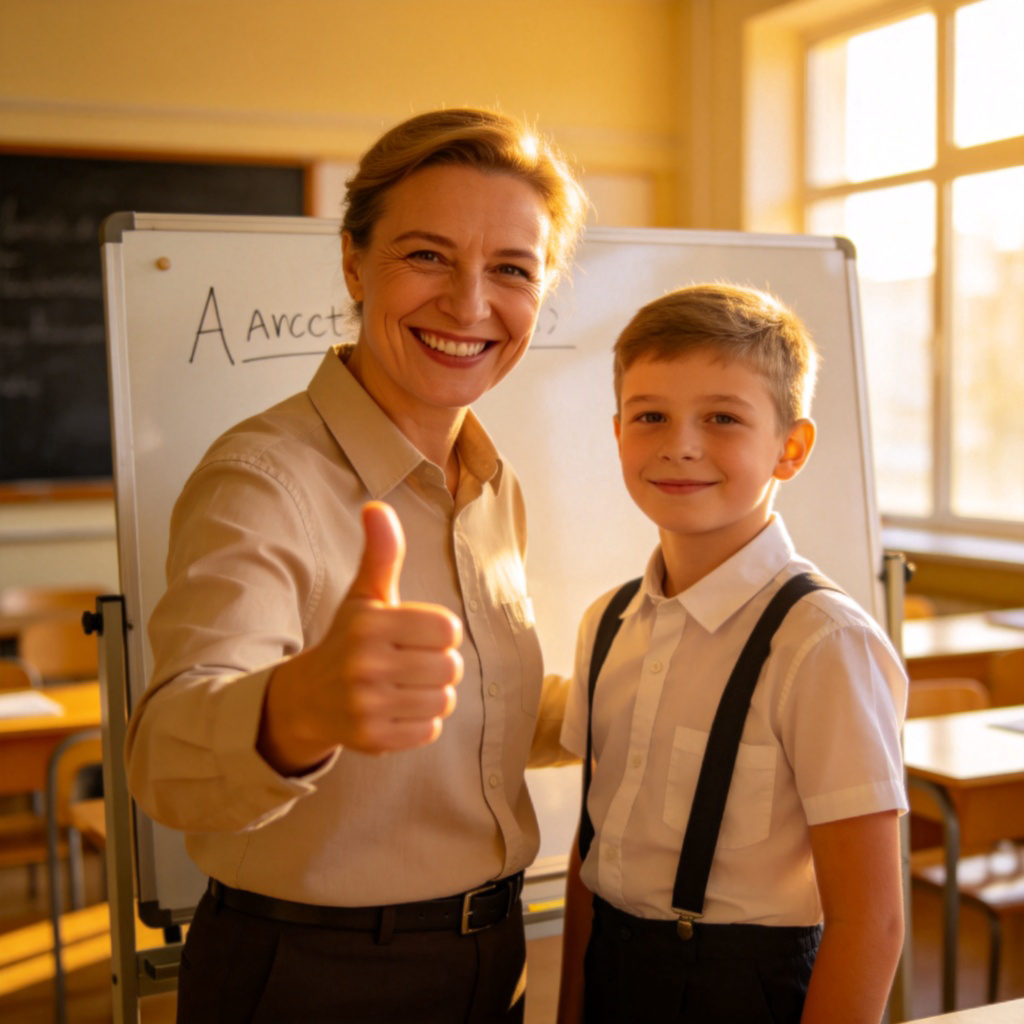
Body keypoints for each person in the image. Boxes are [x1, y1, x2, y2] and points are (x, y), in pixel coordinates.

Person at [125, 107, 588, 1023]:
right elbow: (164, 762)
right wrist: (303, 705)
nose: (469, 304)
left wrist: (648, 690)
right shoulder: (262, 479)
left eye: (511, 270)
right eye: (426, 256)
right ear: (352, 263)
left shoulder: (491, 485)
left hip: (492, 957)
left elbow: (470, 708)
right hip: (315, 976)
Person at [556, 284, 908, 1024]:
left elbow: (870, 921)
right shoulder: (609, 622)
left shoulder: (821, 643)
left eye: (722, 418)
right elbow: (591, 856)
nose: (680, 444)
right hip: (615, 973)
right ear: (617, 432)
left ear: (791, 448)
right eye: (650, 416)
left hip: (747, 991)